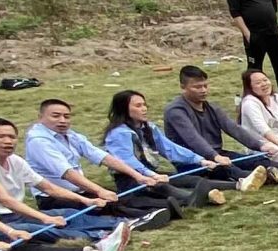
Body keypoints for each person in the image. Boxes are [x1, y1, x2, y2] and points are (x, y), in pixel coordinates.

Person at [0, 117, 131, 246]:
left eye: (12, 137)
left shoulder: (15, 161)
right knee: (41, 229)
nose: (8, 141)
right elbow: (6, 200)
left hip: (13, 217)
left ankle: (121, 225)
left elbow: (48, 188)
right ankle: (101, 237)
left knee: (67, 214)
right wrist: (44, 218)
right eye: (1, 137)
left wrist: (86, 199)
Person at [24, 98, 184, 226]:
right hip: (53, 198)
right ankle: (145, 218)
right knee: (108, 205)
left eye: (66, 116)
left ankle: (164, 208)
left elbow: (101, 156)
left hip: (79, 190)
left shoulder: (70, 135)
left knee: (120, 197)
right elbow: (67, 173)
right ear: (40, 118)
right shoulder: (39, 141)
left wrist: (138, 176)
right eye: (56, 116)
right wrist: (99, 191)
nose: (63, 120)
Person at [102, 90, 238, 209]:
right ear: (124, 109)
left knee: (194, 180)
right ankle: (196, 198)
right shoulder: (118, 134)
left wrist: (200, 160)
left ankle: (237, 185)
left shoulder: (148, 128)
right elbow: (127, 161)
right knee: (163, 188)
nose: (144, 109)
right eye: (138, 106)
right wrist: (151, 175)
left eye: (144, 105)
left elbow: (169, 148)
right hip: (131, 180)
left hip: (152, 174)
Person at [164, 65, 278, 179]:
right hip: (193, 161)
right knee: (228, 169)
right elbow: (193, 139)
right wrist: (214, 156)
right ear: (183, 87)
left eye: (205, 86)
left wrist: (260, 145)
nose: (203, 90)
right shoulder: (176, 111)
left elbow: (233, 128)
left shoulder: (211, 107)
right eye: (197, 87)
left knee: (254, 160)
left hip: (217, 154)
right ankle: (264, 178)